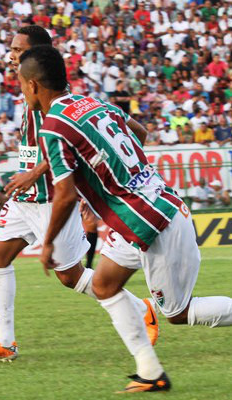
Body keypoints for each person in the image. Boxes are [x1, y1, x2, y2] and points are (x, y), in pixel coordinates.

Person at [20, 45, 232, 392]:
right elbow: (141, 134)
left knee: (177, 314)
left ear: (33, 86)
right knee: (104, 285)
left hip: (151, 223)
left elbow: (65, 194)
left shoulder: (53, 128)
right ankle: (150, 372)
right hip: (148, 210)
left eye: (20, 82)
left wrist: (48, 243)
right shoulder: (95, 103)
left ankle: (152, 371)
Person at [0, 26, 156, 364]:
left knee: (70, 277)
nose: (9, 54)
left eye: (16, 48)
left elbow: (67, 142)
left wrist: (37, 173)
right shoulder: (29, 87)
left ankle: (141, 308)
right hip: (25, 197)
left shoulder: (55, 97)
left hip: (50, 196)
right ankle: (5, 342)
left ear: (37, 53)